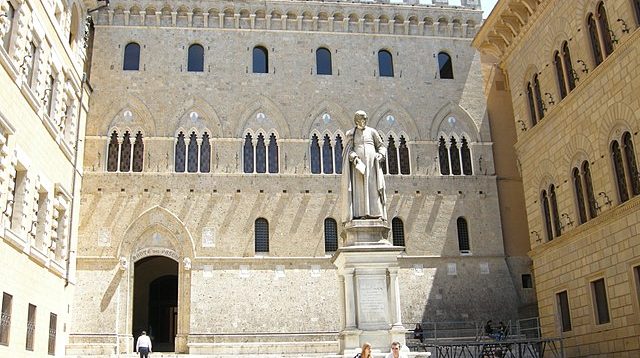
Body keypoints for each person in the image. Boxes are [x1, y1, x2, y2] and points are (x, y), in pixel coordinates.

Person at [341, 110, 387, 223]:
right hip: (358, 168)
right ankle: (360, 214)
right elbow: (348, 150)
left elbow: (381, 146)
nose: (365, 121)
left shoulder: (372, 132)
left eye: (366, 119)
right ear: (356, 121)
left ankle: (375, 213)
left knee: (372, 188)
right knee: (359, 190)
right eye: (362, 119)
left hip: (372, 165)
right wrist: (354, 157)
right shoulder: (351, 134)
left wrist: (381, 155)